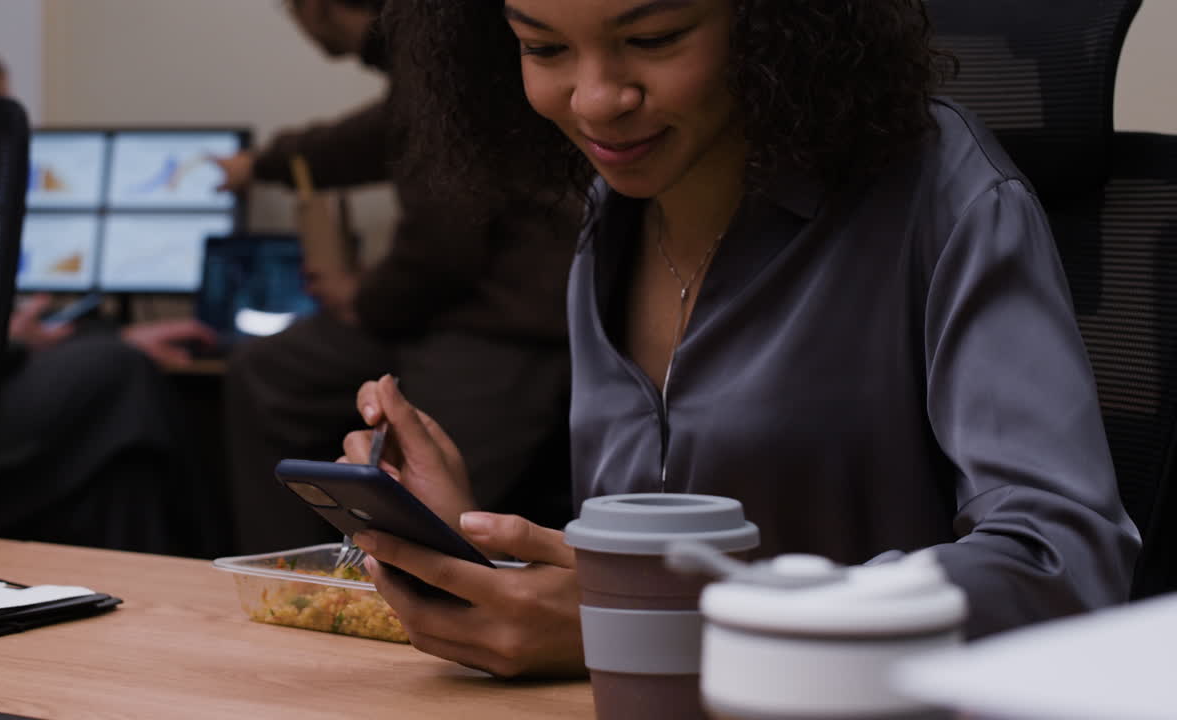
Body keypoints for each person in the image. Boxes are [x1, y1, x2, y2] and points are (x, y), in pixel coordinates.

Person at [336, 0, 1143, 678]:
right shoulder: (610, 215)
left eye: (652, 40)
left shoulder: (943, 193)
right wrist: (470, 551)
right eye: (542, 47)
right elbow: (634, 577)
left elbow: (1063, 563)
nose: (594, 99)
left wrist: (672, 628)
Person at [212, 0, 578, 553]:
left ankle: (378, 591)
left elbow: (443, 242)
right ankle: (287, 575)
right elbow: (391, 131)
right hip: (463, 306)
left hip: (507, 320)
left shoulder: (434, 22)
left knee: (424, 519)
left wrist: (363, 299)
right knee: (270, 370)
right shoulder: (426, 44)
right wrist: (266, 163)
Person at [0, 37, 220, 553]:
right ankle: (205, 561)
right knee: (123, 376)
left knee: (120, 462)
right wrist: (15, 343)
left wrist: (18, 338)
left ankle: (139, 593)